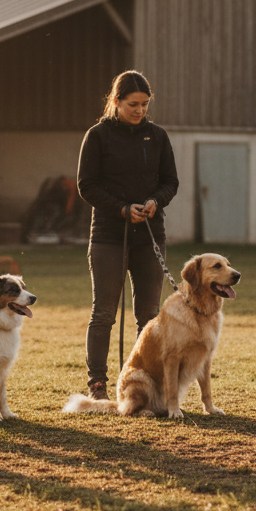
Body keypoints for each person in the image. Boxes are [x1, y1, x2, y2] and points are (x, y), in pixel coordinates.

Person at [75, 71, 179, 400]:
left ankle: (144, 382)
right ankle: (98, 384)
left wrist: (155, 201)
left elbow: (170, 181)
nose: (139, 110)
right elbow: (86, 185)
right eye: (133, 104)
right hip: (108, 235)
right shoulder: (98, 136)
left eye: (145, 104)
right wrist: (121, 209)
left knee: (149, 314)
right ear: (116, 102)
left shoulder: (158, 136)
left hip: (149, 234)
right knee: (104, 311)